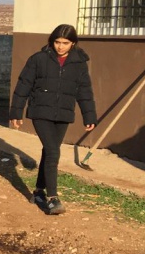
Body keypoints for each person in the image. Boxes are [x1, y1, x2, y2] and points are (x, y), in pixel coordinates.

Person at [9, 24, 97, 215]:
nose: (60, 46)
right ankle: (53, 198)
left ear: (73, 43)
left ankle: (39, 192)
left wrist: (89, 116)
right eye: (57, 42)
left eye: (65, 43)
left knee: (49, 152)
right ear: (52, 41)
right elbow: (23, 85)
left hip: (63, 114)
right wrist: (16, 112)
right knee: (53, 151)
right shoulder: (39, 59)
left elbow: (84, 91)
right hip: (41, 112)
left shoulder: (79, 63)